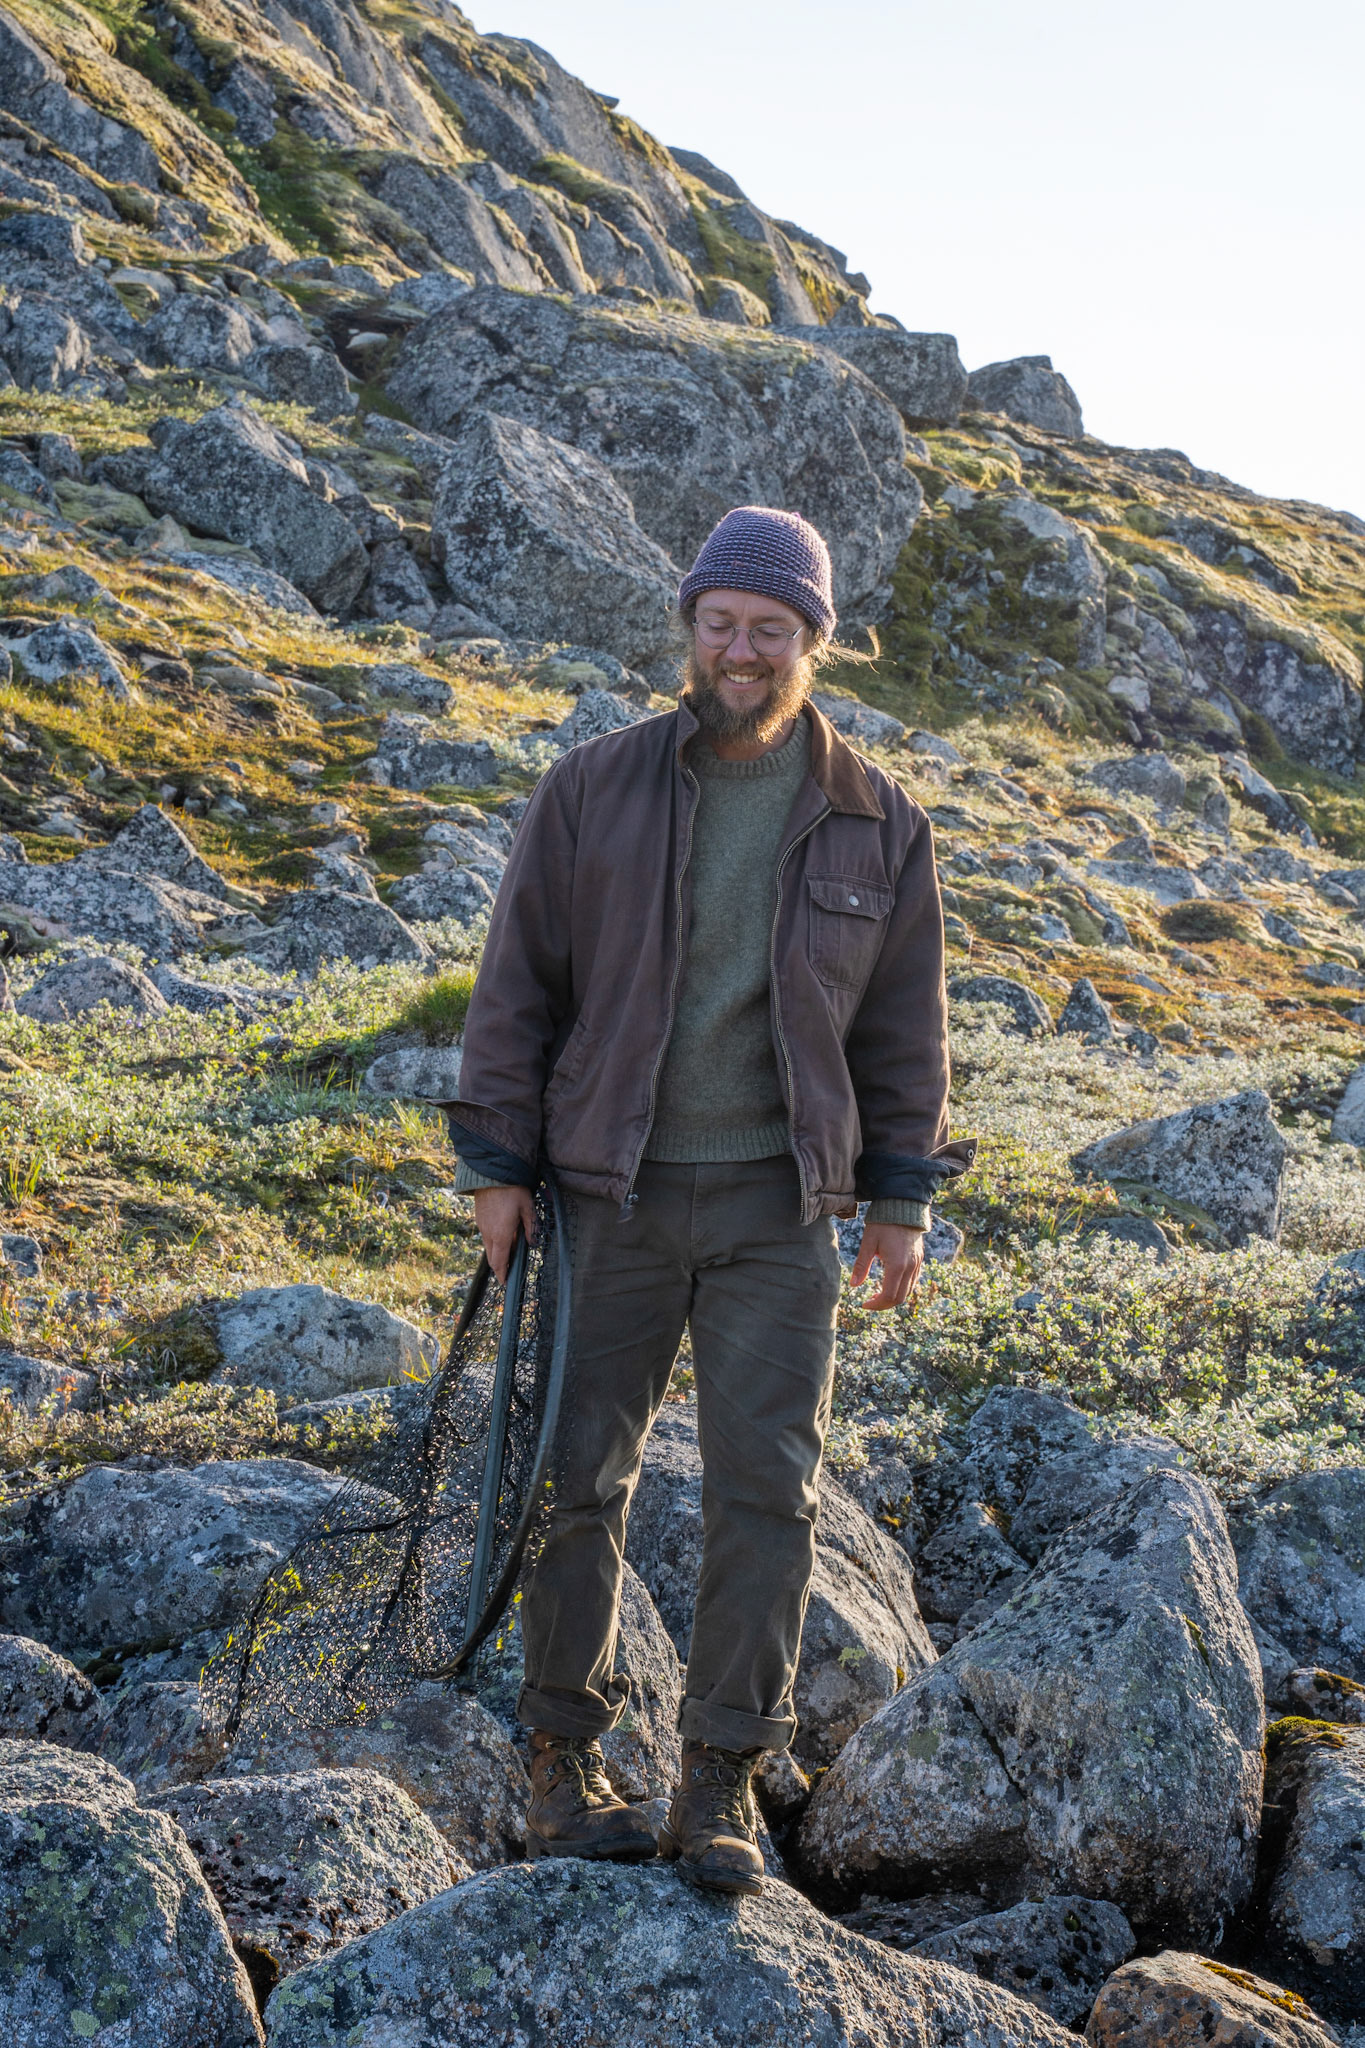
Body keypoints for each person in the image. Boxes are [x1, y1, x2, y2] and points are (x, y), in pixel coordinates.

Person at [446, 504, 969, 1896]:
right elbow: (517, 990)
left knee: (770, 1492)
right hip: (603, 1198)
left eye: (770, 629)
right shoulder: (592, 788)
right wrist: (497, 1167)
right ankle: (563, 1760)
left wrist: (898, 1203)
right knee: (571, 1481)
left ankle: (720, 1781)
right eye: (720, 623)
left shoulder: (879, 822)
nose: (740, 650)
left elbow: (903, 1038)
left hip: (775, 1212)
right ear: (690, 627)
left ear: (815, 641)